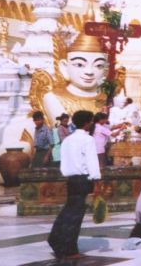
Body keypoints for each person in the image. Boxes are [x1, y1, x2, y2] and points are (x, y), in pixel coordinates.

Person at [47, 110, 100, 260]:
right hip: (83, 179)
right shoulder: (87, 139)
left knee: (69, 211)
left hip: (71, 179)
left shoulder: (68, 140)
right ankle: (68, 248)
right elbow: (91, 161)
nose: (91, 124)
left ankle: (56, 239)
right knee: (76, 214)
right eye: (90, 121)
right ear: (86, 122)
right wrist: (97, 181)